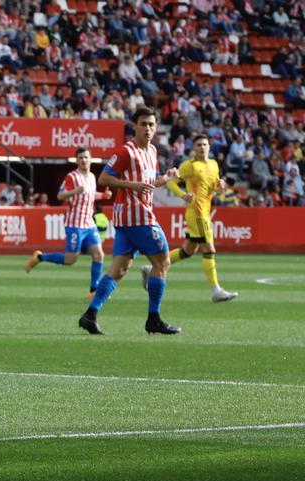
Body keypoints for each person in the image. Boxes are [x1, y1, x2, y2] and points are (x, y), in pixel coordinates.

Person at [78, 106, 182, 336]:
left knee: (120, 268)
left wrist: (167, 177)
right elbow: (104, 178)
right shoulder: (127, 152)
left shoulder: (152, 151)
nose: (148, 128)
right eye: (143, 124)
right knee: (162, 263)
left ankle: (90, 315)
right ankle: (153, 319)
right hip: (137, 215)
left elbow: (150, 182)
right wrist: (132, 185)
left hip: (129, 219)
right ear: (134, 126)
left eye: (151, 124)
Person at [142, 135, 238, 303]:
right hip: (197, 214)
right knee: (209, 250)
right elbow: (171, 182)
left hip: (205, 212)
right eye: (199, 145)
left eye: (205, 144)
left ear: (209, 147)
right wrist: (183, 194)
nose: (202, 147)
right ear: (193, 148)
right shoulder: (189, 165)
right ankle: (216, 290)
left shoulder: (214, 165)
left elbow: (212, 187)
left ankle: (151, 268)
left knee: (188, 251)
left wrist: (220, 187)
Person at [25, 148, 112, 298]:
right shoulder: (72, 177)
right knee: (70, 259)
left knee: (99, 255)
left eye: (86, 157)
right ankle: (39, 257)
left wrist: (103, 195)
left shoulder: (91, 177)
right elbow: (60, 195)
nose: (83, 160)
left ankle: (93, 290)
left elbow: (90, 195)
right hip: (75, 224)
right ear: (77, 160)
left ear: (91, 159)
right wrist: (74, 192)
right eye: (80, 158)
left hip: (89, 224)